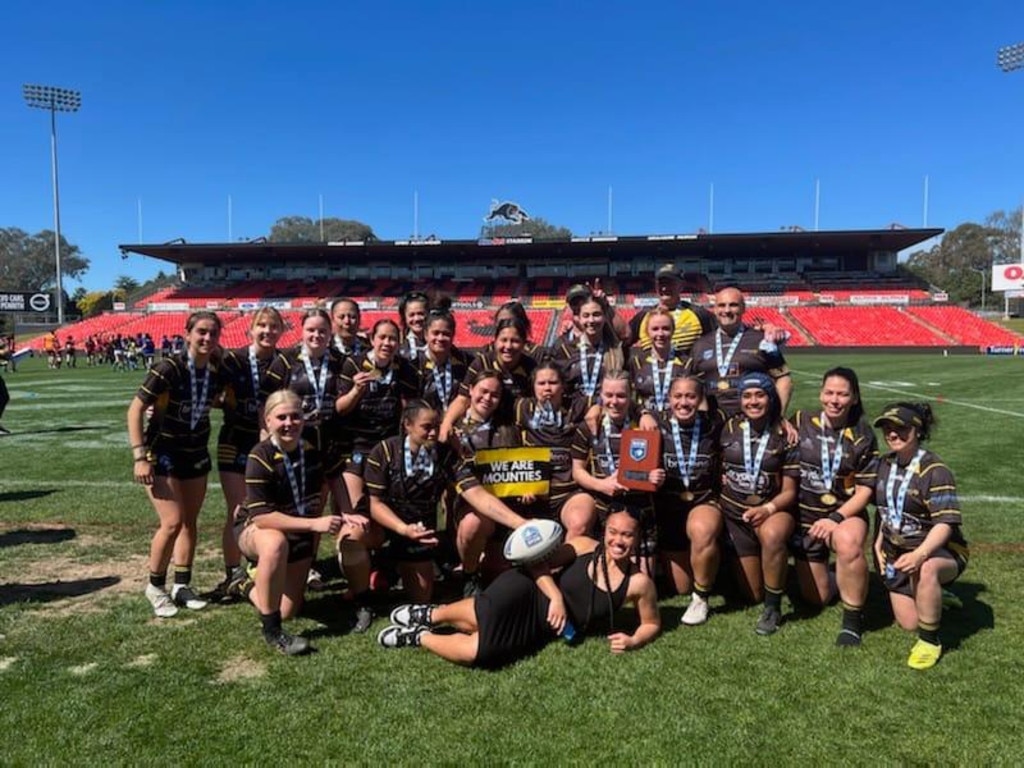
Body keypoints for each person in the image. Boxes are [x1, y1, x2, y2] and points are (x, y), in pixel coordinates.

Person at [376, 509, 661, 668]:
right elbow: (536, 564)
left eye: (627, 535)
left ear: (637, 539)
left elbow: (651, 623)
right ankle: (431, 615)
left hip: (546, 624)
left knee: (484, 653)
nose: (618, 540)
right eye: (613, 532)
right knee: (484, 612)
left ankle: (419, 637)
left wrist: (634, 640)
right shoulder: (585, 546)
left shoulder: (639, 583)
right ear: (604, 532)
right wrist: (556, 597)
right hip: (532, 588)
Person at [127, 310, 224, 618]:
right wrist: (140, 456)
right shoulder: (167, 368)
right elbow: (135, 409)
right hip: (162, 452)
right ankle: (155, 586)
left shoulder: (215, 371)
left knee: (189, 523)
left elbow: (214, 399)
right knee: (171, 522)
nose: (207, 338)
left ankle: (182, 585)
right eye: (201, 332)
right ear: (187, 334)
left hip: (196, 453)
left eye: (213, 333)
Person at [236, 390, 347, 655]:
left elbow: (336, 476)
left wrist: (350, 510)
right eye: (281, 417)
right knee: (274, 543)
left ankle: (243, 583)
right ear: (268, 421)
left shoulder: (314, 443)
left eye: (296, 416)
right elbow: (262, 517)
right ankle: (273, 633)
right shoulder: (259, 455)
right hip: (257, 527)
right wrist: (314, 524)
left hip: (297, 528)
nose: (289, 423)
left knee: (288, 610)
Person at [872, 402, 968, 670]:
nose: (892, 434)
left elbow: (945, 525)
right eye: (888, 428)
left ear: (917, 430)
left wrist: (920, 553)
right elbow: (885, 508)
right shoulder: (884, 464)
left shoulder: (935, 470)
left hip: (941, 551)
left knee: (926, 569)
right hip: (898, 553)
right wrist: (879, 541)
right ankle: (934, 593)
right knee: (908, 623)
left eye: (900, 428)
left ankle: (929, 641)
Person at [790, 367, 878, 646]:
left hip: (844, 512)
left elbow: (866, 489)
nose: (835, 400)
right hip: (805, 516)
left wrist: (837, 517)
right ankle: (838, 573)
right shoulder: (801, 420)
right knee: (816, 598)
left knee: (848, 542)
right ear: (820, 394)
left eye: (842, 394)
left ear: (854, 398)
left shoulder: (863, 433)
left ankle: (852, 621)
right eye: (829, 392)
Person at [210, 307, 287, 602]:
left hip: (271, 443)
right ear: (250, 329)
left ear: (281, 331)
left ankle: (259, 562)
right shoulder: (233, 359)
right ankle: (233, 572)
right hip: (235, 439)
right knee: (238, 507)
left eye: (273, 326)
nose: (267, 331)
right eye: (262, 326)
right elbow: (212, 394)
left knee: (267, 506)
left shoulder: (284, 361)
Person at [718, 372, 798, 636]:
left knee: (773, 534)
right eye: (747, 396)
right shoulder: (728, 427)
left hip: (772, 509)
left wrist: (767, 509)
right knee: (752, 593)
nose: (753, 401)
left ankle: (773, 607)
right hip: (736, 513)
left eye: (760, 395)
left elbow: (789, 491)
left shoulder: (784, 433)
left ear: (771, 398)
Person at [570, 370, 664, 572]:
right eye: (608, 395)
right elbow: (577, 471)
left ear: (630, 396)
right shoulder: (589, 426)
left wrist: (658, 477)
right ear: (600, 396)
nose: (614, 401)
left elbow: (658, 470)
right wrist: (601, 485)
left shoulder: (646, 425)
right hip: (605, 503)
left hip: (640, 503)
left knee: (644, 579)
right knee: (607, 574)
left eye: (621, 396)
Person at [653, 375, 724, 624]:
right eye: (678, 396)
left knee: (701, 529)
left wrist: (781, 421)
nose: (684, 402)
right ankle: (712, 565)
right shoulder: (655, 424)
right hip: (669, 507)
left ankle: (701, 598)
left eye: (691, 396)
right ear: (668, 399)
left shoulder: (715, 423)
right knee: (680, 587)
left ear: (700, 399)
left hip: (703, 500)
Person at [514, 362, 593, 538]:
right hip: (535, 495)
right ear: (533, 387)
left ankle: (568, 563)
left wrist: (596, 409)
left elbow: (608, 400)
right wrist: (520, 485)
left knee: (579, 524)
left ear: (563, 386)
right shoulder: (522, 408)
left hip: (569, 492)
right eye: (541, 383)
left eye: (553, 383)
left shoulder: (576, 406)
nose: (547, 388)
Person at [688, 286, 792, 419]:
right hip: (712, 422)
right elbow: (690, 384)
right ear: (714, 309)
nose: (727, 310)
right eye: (721, 305)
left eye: (733, 305)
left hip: (753, 420)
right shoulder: (700, 344)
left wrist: (778, 417)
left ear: (743, 308)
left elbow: (784, 378)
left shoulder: (762, 339)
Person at [439, 316, 538, 441]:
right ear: (495, 341)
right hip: (483, 425)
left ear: (524, 343)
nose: (508, 346)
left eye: (515, 341)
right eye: (503, 340)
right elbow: (463, 398)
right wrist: (447, 423)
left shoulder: (531, 367)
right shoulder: (482, 363)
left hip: (514, 429)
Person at [551, 295, 625, 411]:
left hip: (606, 413)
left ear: (605, 317)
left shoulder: (616, 350)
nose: (591, 320)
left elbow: (626, 333)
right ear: (579, 319)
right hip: (574, 417)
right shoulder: (565, 350)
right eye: (586, 316)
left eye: (596, 315)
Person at [628, 264, 714, 355]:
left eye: (670, 283)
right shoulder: (644, 315)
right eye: (661, 284)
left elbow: (719, 338)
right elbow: (624, 341)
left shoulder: (699, 313)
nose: (664, 288)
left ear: (681, 285)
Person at [629, 308, 688, 417]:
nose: (660, 334)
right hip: (646, 424)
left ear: (673, 330)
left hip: (675, 424)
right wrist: (643, 413)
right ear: (647, 331)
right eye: (655, 329)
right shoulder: (636, 361)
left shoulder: (686, 362)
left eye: (665, 328)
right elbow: (630, 397)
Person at [415, 306, 470, 414]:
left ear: (453, 335)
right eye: (435, 333)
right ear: (426, 334)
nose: (440, 338)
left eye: (446, 334)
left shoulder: (465, 362)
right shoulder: (414, 364)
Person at [397, 290, 430, 360]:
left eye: (420, 314)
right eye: (411, 315)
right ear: (405, 318)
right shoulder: (399, 348)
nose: (417, 319)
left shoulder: (439, 343)